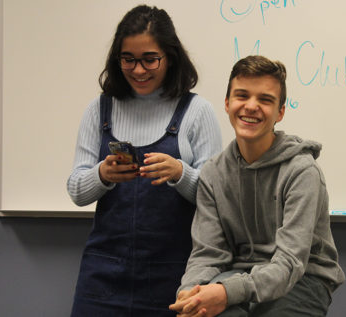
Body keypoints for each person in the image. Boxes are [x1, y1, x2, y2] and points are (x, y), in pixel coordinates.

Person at [67, 5, 222, 316]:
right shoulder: (99, 110)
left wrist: (181, 173)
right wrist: (103, 174)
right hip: (102, 276)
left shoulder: (197, 112)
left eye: (150, 59)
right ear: (117, 59)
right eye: (128, 60)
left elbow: (218, 199)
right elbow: (76, 191)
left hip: (174, 274)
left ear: (170, 57)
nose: (138, 70)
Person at [169, 55, 345, 317]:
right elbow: (208, 254)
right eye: (242, 96)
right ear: (227, 104)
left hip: (303, 277)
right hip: (238, 273)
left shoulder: (302, 171)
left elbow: (290, 263)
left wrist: (227, 292)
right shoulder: (213, 173)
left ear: (280, 112)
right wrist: (191, 290)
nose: (251, 106)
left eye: (265, 100)